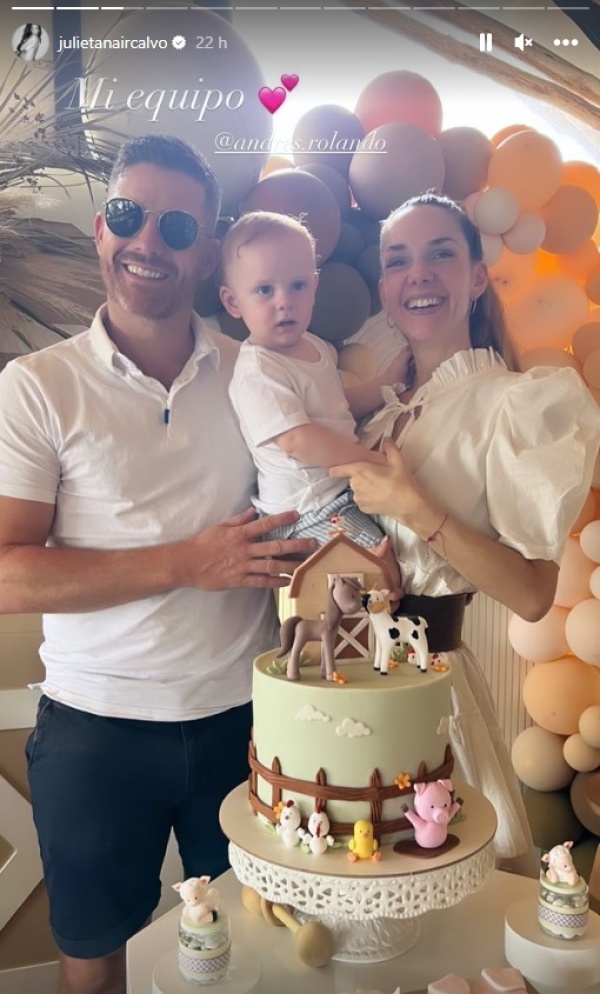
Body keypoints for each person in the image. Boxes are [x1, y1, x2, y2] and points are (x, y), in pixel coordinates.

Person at [0, 136, 315, 994]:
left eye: (177, 227)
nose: (149, 241)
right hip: (95, 731)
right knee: (95, 973)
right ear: (102, 229)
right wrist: (186, 561)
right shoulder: (36, 385)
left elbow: (312, 499)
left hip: (249, 723)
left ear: (207, 254)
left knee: (258, 961)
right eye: (129, 215)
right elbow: (8, 575)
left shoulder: (258, 371)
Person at [331, 192, 600, 876]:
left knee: (431, 887)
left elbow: (534, 595)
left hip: (429, 683)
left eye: (441, 254)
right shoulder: (378, 413)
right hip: (345, 676)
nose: (417, 274)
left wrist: (415, 507)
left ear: (478, 277)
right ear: (385, 288)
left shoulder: (511, 403)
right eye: (398, 260)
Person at [219, 211, 405, 596]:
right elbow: (297, 440)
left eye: (298, 285)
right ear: (233, 302)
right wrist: (368, 459)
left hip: (334, 493)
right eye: (265, 290)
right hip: (305, 510)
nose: (284, 302)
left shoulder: (314, 347)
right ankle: (374, 623)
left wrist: (385, 386)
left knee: (401, 537)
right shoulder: (259, 370)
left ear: (315, 286)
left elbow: (336, 407)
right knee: (380, 563)